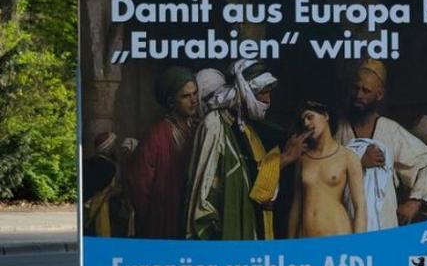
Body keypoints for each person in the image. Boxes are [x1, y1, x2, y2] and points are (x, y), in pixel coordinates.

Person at [186, 60, 308, 240]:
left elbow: (254, 185)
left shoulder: (246, 127)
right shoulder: (215, 124)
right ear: (245, 91)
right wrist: (285, 158)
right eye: (262, 93)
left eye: (269, 93)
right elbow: (205, 195)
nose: (268, 100)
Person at [334, 59, 427, 226]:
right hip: (345, 222)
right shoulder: (337, 129)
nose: (359, 95)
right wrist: (358, 161)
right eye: (356, 88)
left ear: (379, 95)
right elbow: (321, 168)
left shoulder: (390, 130)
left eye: (366, 91)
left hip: (384, 221)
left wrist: (413, 203)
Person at [128, 67, 199, 239]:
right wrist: (155, 218)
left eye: (195, 94)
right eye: (185, 96)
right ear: (171, 101)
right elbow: (140, 187)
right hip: (164, 223)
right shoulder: (155, 137)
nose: (193, 100)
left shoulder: (198, 130)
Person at [288, 101, 366, 238]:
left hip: (338, 235)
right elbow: (296, 206)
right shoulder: (302, 159)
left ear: (325, 115)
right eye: (303, 121)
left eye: (310, 117)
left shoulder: (348, 157)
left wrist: (357, 246)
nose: (306, 123)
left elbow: (360, 207)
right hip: (306, 238)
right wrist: (290, 243)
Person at [84, 132, 134, 237]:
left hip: (89, 209)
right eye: (114, 145)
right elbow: (106, 191)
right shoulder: (109, 166)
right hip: (105, 210)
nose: (116, 148)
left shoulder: (88, 162)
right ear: (109, 148)